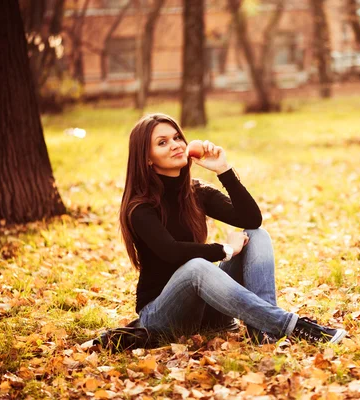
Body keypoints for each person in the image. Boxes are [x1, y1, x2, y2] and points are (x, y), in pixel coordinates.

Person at [118, 113, 347, 345]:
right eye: (162, 142)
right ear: (147, 158)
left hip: (208, 313)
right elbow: (172, 252)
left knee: (256, 235)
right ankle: (293, 326)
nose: (176, 145)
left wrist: (223, 170)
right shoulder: (140, 207)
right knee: (196, 267)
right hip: (162, 316)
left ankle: (263, 332)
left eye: (177, 137)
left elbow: (252, 218)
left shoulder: (195, 192)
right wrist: (225, 250)